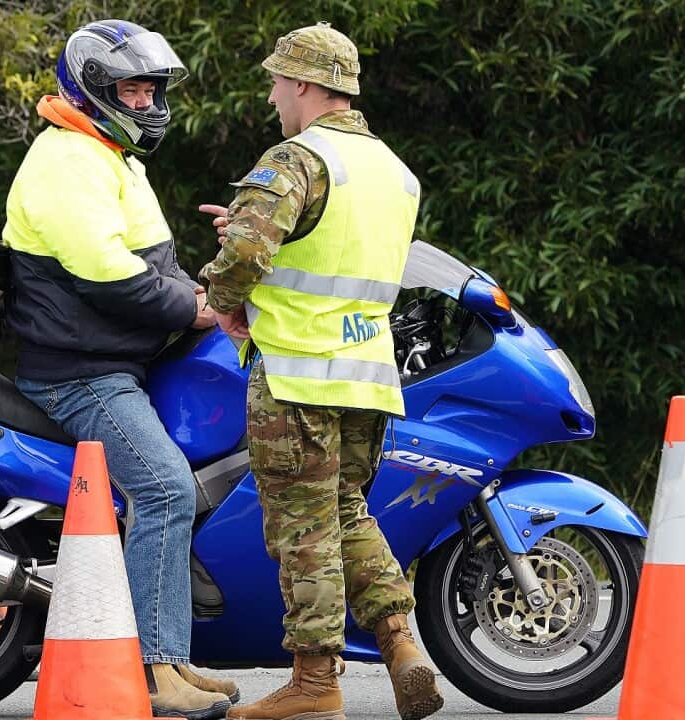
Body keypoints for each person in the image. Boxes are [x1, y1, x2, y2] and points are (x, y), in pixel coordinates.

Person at [198, 22, 443, 720]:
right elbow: (327, 251)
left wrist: (226, 305)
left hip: (298, 375)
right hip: (366, 373)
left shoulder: (298, 158)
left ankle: (313, 686)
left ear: (304, 84)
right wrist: (250, 244)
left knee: (303, 530)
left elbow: (247, 254)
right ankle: (401, 645)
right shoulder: (395, 171)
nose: (274, 95)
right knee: (345, 513)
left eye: (278, 81)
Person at [1, 19, 235, 720]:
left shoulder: (109, 156)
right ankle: (155, 671)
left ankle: (176, 657)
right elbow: (110, 277)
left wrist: (206, 295)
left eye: (150, 89)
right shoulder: (67, 159)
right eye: (131, 89)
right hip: (80, 373)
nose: (146, 102)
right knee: (164, 488)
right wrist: (194, 310)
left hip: (113, 362)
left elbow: (152, 265)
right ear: (95, 91)